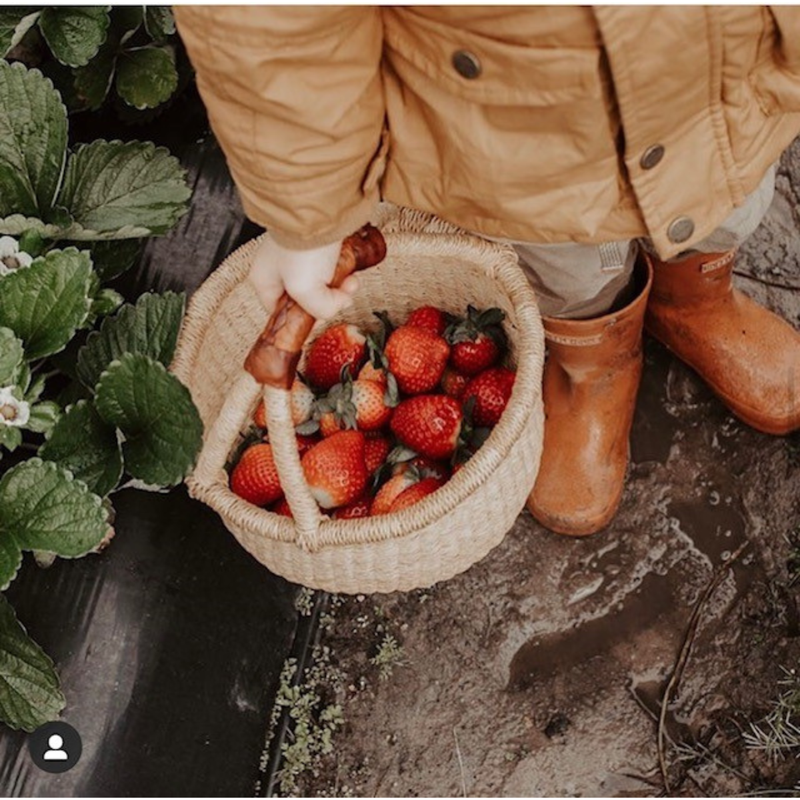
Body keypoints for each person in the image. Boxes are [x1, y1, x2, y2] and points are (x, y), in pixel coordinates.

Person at [175, 6, 800, 536]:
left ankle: (693, 302)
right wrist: (309, 208)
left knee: (729, 201)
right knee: (570, 272)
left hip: (721, 69)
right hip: (513, 125)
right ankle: (595, 365)